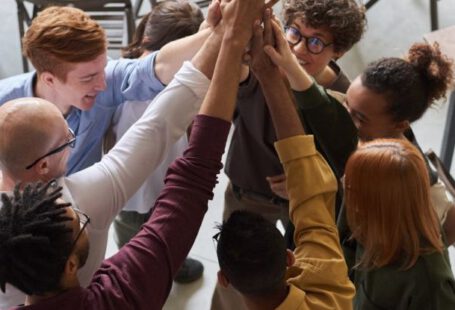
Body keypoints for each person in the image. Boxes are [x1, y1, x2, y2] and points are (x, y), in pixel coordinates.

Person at [0, 0, 267, 306]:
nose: (103, 84)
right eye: (67, 139)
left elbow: (154, 70)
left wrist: (212, 33)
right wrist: (231, 38)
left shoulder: (101, 84)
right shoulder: (83, 204)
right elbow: (158, 131)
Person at [211, 1, 365, 307]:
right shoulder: (257, 66)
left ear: (340, 51)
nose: (297, 48)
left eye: (316, 42)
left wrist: (303, 179)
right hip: (248, 194)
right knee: (239, 277)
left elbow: (345, 160)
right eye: (294, 32)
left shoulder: (344, 98)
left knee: (295, 273)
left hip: (304, 209)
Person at [0, 5, 211, 174]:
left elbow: (158, 67)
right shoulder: (4, 104)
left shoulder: (106, 83)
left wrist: (214, 31)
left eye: (102, 69)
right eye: (89, 77)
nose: (102, 84)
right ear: (49, 79)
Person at [108, 0, 205, 284]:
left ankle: (167, 265)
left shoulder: (121, 72)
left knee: (163, 232)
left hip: (153, 184)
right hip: (133, 192)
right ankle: (137, 279)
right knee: (135, 247)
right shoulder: (123, 82)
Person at [344, 139, 455, 309]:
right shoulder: (366, 220)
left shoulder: (428, 282)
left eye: (353, 189)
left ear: (383, 205)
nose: (345, 188)